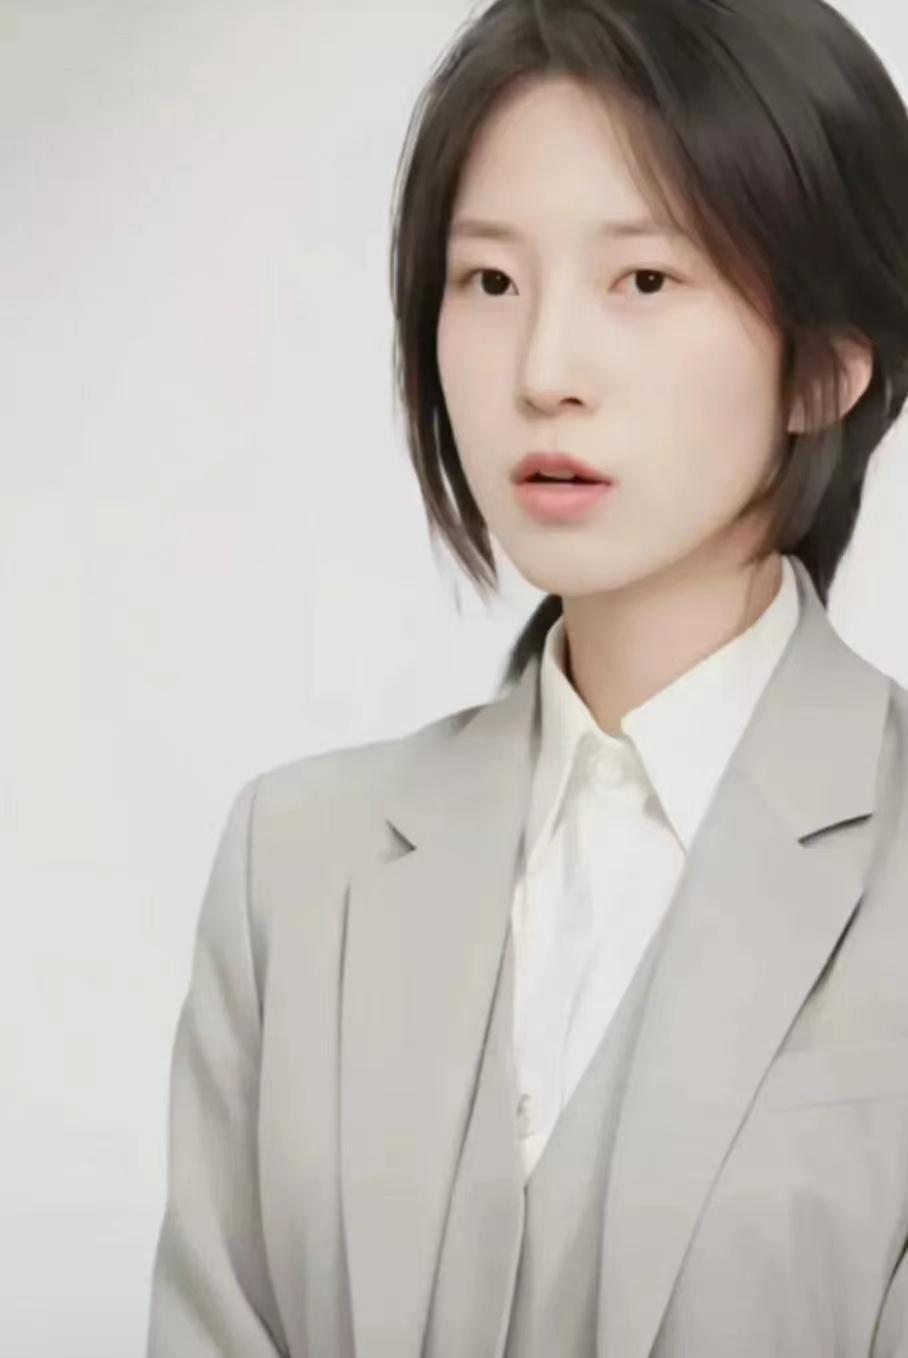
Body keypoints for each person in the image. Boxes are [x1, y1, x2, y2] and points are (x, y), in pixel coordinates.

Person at [146, 0, 908, 1354]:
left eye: (645, 282)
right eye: (490, 282)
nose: (545, 371)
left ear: (830, 366)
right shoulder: (296, 867)